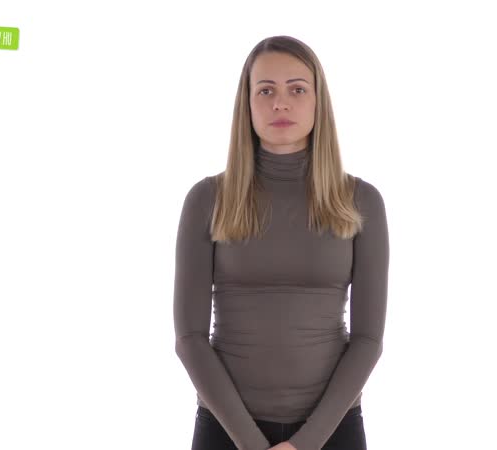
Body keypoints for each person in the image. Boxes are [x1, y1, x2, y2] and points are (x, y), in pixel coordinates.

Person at [173, 35, 389, 450]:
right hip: (226, 429)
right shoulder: (207, 199)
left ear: (318, 102)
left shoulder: (361, 201)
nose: (281, 103)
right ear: (248, 104)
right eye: (266, 90)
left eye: (297, 89)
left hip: (332, 429)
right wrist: (250, 443)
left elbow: (368, 340)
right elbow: (190, 339)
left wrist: (306, 443)